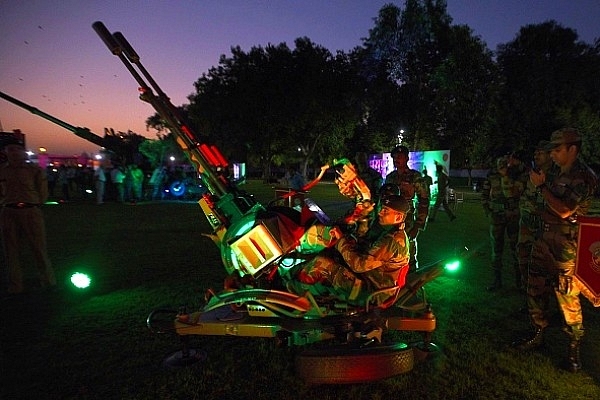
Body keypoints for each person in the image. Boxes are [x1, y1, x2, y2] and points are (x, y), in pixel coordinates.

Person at [512, 128, 598, 372]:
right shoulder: (557, 174)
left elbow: (564, 210)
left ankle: (574, 349)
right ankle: (537, 333)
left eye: (558, 150)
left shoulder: (584, 176)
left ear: (573, 149)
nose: (554, 155)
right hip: (545, 239)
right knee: (535, 285)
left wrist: (540, 189)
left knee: (567, 294)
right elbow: (548, 207)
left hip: (566, 246)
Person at [288, 195, 410, 305]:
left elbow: (359, 265)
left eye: (386, 211)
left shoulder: (391, 241)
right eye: (382, 209)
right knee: (331, 255)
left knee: (322, 263)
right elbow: (367, 252)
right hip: (371, 281)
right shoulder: (392, 233)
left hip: (372, 291)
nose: (380, 213)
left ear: (398, 216)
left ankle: (292, 294)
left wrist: (341, 240)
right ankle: (303, 284)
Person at [0, 137, 56, 296]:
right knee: (10, 251)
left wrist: (36, 203)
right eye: (10, 149)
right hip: (8, 211)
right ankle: (15, 285)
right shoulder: (2, 170)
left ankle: (48, 281)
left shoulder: (35, 170)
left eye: (16, 149)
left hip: (31, 211)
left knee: (38, 248)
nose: (13, 152)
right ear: (5, 152)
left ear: (23, 152)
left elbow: (43, 192)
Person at [384, 145, 430, 271]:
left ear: (407, 158)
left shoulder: (415, 177)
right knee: (390, 250)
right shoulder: (390, 177)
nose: (396, 159)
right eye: (394, 157)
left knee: (409, 250)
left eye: (400, 156)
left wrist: (418, 224)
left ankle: (412, 279)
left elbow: (424, 200)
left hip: (407, 220)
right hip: (389, 221)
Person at [515, 141, 552, 292]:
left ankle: (546, 302)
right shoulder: (528, 175)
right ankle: (529, 297)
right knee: (524, 261)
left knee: (546, 267)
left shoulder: (556, 177)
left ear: (550, 155)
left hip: (546, 230)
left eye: (540, 153)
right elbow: (514, 192)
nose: (536, 155)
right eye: (535, 153)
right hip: (526, 227)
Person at [481, 156, 520, 291]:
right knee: (496, 251)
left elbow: (519, 194)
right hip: (496, 217)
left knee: (517, 249)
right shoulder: (491, 176)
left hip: (512, 217)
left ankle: (519, 283)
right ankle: (497, 281)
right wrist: (487, 208)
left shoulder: (516, 176)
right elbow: (485, 193)